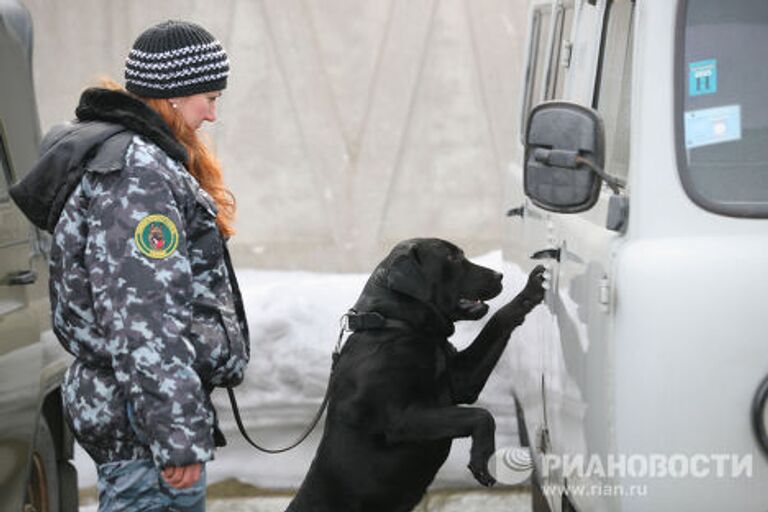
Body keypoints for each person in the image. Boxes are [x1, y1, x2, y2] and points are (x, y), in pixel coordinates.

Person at [10, 20, 250, 511]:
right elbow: (145, 320)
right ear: (173, 96)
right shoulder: (137, 176)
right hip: (143, 430)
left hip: (139, 420)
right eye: (209, 97)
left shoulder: (142, 162)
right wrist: (175, 437)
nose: (211, 114)